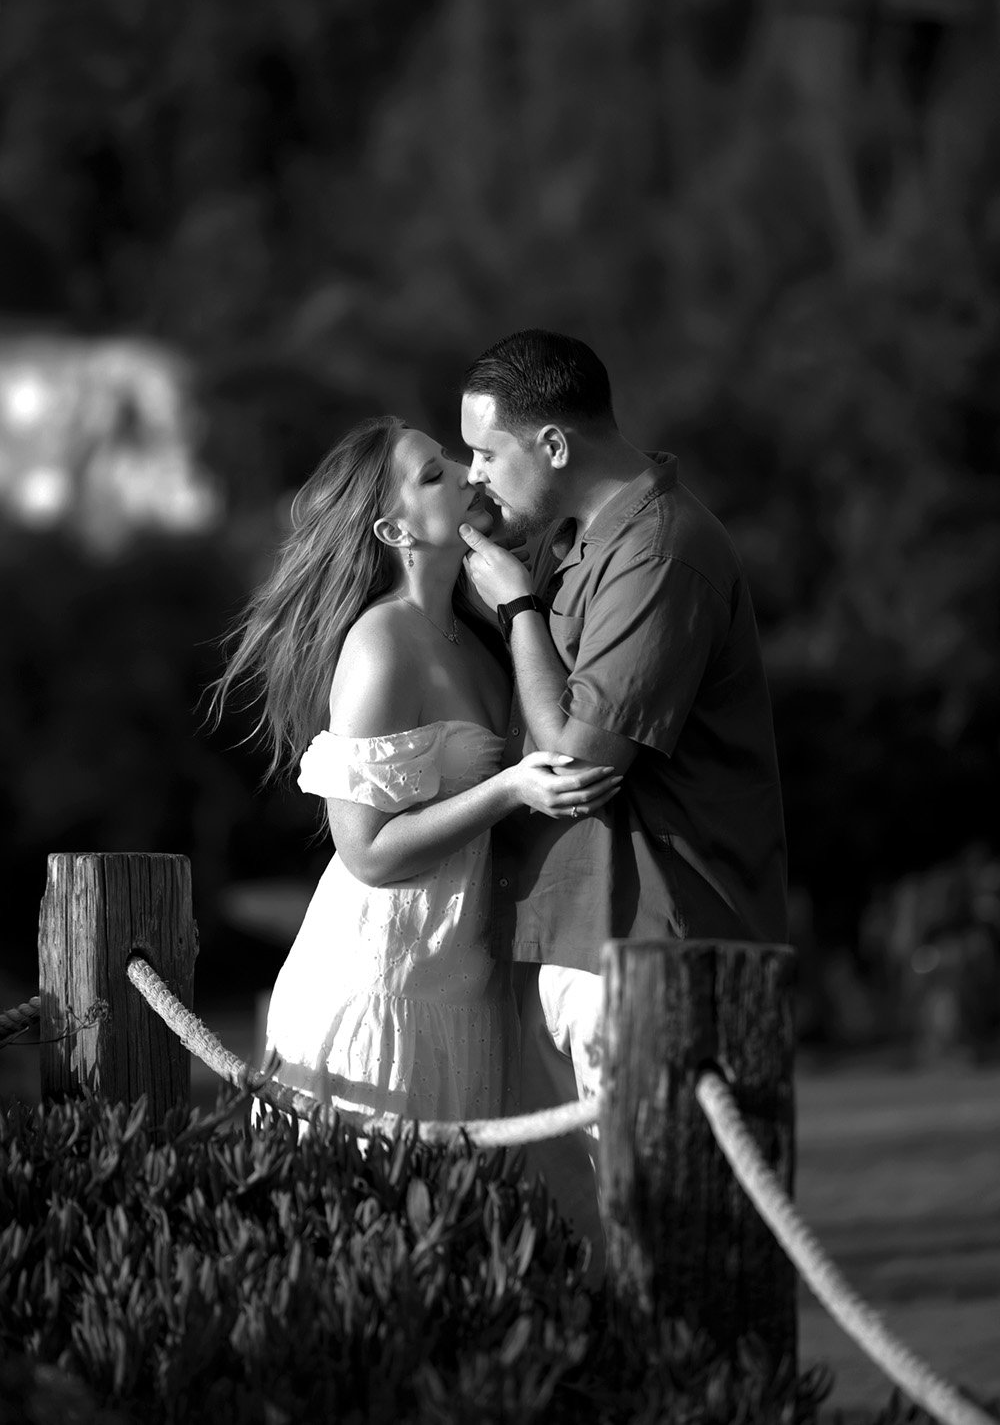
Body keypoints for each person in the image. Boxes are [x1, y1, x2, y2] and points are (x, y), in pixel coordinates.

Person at [457, 329, 789, 1273]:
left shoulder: (663, 550)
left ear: (554, 445)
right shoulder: (575, 540)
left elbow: (571, 754)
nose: (476, 477)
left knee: (670, 1258)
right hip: (573, 939)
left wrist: (521, 609)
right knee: (595, 1264)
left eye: (487, 452)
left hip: (656, 943)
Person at [209, 414, 620, 1124]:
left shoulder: (472, 629)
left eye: (452, 460)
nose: (466, 472)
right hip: (381, 982)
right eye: (433, 474)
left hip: (462, 982)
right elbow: (365, 852)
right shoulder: (383, 643)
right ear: (395, 534)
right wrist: (511, 787)